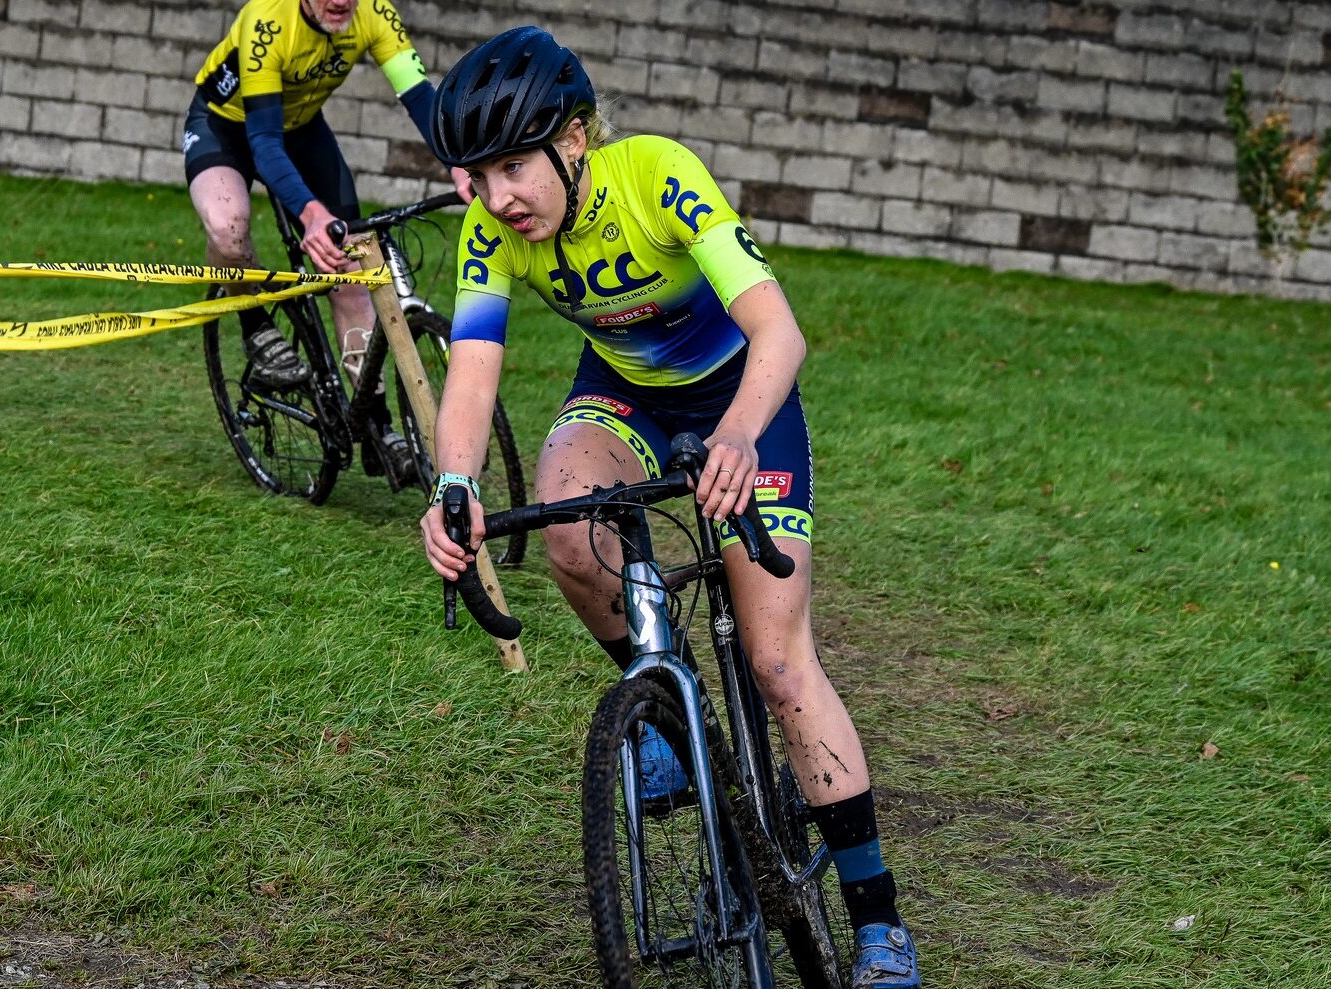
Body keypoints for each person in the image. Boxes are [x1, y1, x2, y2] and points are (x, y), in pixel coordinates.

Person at [417, 26, 920, 989]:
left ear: (574, 139)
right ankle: (673, 712)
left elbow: (778, 327)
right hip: (624, 394)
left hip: (742, 398)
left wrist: (734, 434)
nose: (497, 197)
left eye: (515, 166)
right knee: (567, 525)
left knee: (778, 659)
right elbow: (473, 372)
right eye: (479, 175)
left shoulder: (657, 176)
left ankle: (879, 921)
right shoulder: (491, 228)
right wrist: (456, 486)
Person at [181, 0, 469, 472]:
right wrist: (311, 215)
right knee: (228, 228)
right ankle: (255, 326)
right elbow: (264, 144)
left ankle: (377, 425)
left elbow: (420, 95)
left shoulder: (374, 12)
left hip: (299, 127)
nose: (341, 1)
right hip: (225, 128)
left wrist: (460, 163)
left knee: (351, 270)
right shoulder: (267, 20)